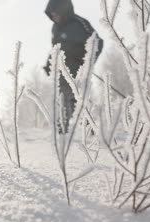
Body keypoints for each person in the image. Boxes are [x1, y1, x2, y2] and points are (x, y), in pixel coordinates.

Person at [44, 0, 103, 133]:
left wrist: (86, 59)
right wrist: (49, 65)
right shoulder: (56, 28)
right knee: (63, 100)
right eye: (52, 15)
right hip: (61, 72)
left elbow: (97, 42)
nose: (54, 17)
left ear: (63, 10)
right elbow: (55, 48)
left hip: (78, 71)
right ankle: (62, 132)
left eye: (56, 14)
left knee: (79, 100)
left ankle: (89, 130)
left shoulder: (80, 23)